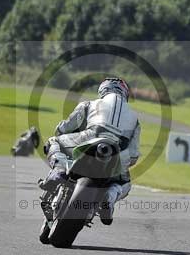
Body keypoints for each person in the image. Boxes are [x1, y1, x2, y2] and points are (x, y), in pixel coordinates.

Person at [43, 77, 141, 225]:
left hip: (90, 137)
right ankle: (109, 198)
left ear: (103, 90)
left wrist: (61, 132)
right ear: (125, 93)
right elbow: (133, 155)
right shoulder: (135, 119)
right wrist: (122, 161)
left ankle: (59, 170)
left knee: (53, 141)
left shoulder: (90, 104)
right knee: (125, 182)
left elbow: (63, 129)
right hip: (117, 151)